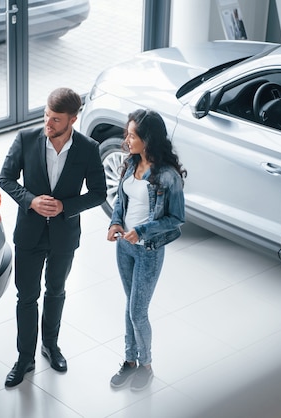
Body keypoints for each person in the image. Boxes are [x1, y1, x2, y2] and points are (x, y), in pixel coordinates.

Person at [0, 87, 106, 387]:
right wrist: (29, 200)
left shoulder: (88, 148)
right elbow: (5, 178)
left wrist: (65, 207)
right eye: (46, 115)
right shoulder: (26, 140)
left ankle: (50, 346)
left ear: (73, 119)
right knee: (26, 297)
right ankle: (24, 358)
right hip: (29, 235)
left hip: (64, 236)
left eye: (56, 119)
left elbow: (99, 193)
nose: (48, 123)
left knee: (56, 292)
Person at [106, 109, 186, 391]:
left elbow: (176, 219)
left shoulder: (167, 176)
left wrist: (141, 231)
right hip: (124, 248)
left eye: (132, 135)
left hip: (148, 250)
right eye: (127, 134)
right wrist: (115, 223)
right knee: (130, 307)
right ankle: (129, 361)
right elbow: (120, 200)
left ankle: (146, 365)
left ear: (148, 140)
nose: (126, 140)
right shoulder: (131, 164)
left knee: (138, 311)